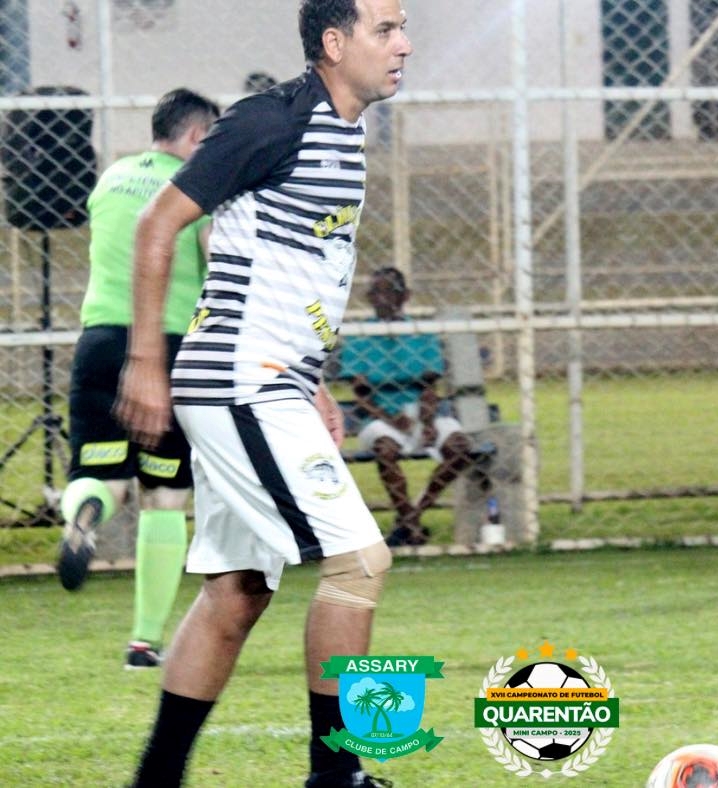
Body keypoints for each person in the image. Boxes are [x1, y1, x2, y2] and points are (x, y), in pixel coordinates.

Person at [115, 2, 411, 786]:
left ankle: (155, 780)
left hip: (269, 379)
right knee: (359, 563)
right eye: (386, 30)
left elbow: (277, 255)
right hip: (241, 379)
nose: (404, 44)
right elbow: (157, 225)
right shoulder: (271, 121)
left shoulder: (345, 131)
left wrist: (311, 377)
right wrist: (144, 359)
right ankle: (336, 776)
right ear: (334, 43)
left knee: (237, 591)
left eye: (403, 27)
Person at [56, 88, 220, 671]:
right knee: (164, 498)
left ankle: (84, 514)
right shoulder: (196, 187)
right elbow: (214, 258)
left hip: (100, 342)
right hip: (167, 346)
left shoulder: (111, 179)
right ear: (197, 136)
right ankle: (143, 643)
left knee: (99, 476)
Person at [337, 267, 474, 547]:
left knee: (459, 447)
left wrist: (428, 422)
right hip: (379, 416)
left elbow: (429, 387)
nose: (382, 298)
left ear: (405, 296)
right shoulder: (359, 336)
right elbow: (361, 394)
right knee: (385, 449)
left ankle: (410, 518)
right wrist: (389, 419)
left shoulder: (422, 333)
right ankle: (410, 520)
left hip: (422, 412)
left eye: (390, 291)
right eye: (376, 292)